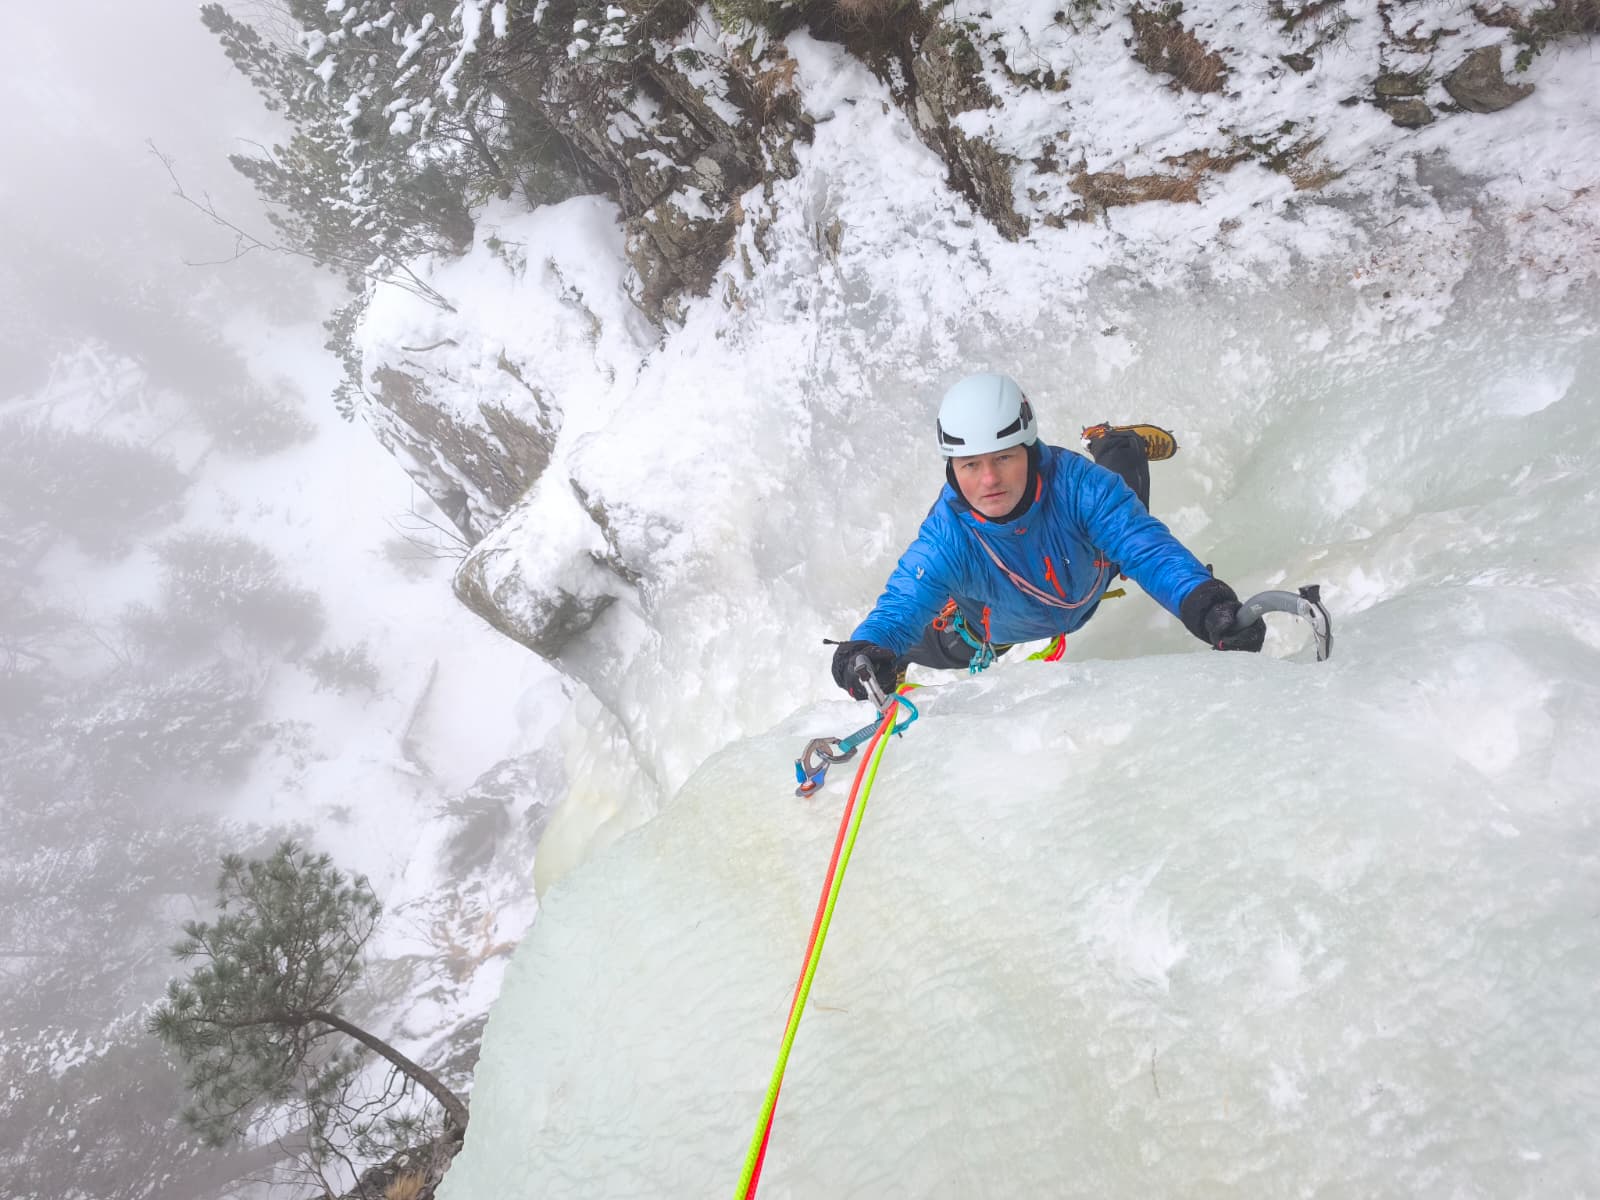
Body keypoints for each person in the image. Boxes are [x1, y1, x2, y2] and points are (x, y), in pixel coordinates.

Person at [829, 372, 1264, 700]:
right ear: (952, 467)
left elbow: (1149, 552)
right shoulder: (948, 536)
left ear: (1028, 451)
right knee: (922, 647)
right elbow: (903, 604)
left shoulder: (1080, 488)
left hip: (1090, 565)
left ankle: (1115, 442)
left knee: (1126, 508)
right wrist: (866, 651)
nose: (989, 480)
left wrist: (1206, 605)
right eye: (971, 465)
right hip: (993, 628)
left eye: (1003, 458)